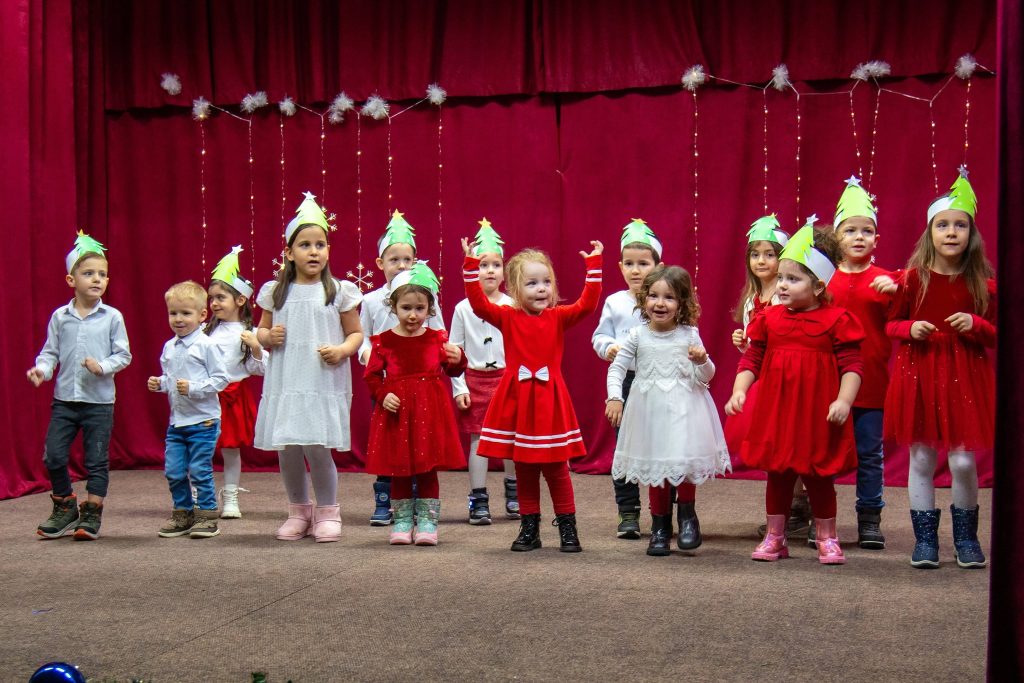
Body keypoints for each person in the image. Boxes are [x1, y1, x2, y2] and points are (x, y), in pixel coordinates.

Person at [726, 218, 864, 565]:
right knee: (778, 475)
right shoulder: (769, 319)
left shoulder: (837, 320)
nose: (782, 285)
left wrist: (844, 400)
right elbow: (752, 359)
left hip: (816, 414)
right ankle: (775, 536)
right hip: (778, 412)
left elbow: (852, 367)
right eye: (781, 278)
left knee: (819, 476)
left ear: (818, 286)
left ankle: (827, 536)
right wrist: (739, 391)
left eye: (793, 279)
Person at [879, 168, 995, 569]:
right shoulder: (912, 280)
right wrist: (910, 328)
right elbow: (891, 324)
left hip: (966, 375)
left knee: (962, 461)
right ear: (930, 233)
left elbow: (998, 333)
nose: (951, 232)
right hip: (920, 373)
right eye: (942, 225)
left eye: (960, 225)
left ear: (971, 233)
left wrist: (976, 324)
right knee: (922, 459)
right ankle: (925, 540)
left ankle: (966, 538)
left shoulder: (983, 283)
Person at [461, 235, 603, 552]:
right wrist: (470, 266)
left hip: (550, 402)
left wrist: (593, 267)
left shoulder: (558, 316)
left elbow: (587, 305)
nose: (541, 289)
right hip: (518, 402)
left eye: (546, 282)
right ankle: (529, 528)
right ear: (513, 290)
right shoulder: (506, 316)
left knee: (556, 469)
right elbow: (478, 304)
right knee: (524, 468)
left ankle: (568, 527)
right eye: (532, 283)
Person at [254, 192, 364, 542]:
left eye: (320, 244)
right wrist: (267, 336)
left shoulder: (339, 291)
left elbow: (356, 333)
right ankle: (298, 511)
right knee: (288, 449)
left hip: (320, 381)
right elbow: (260, 331)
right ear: (289, 253)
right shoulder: (276, 292)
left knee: (317, 447)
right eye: (305, 245)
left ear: (328, 250)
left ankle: (328, 511)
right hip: (287, 381)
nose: (314, 251)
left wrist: (342, 350)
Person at [605, 266, 730, 556]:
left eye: (669, 297)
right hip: (650, 413)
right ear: (643, 299)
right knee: (656, 468)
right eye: (653, 296)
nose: (660, 303)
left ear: (682, 303)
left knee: (682, 463)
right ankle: (660, 526)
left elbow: (706, 376)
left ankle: (687, 518)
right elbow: (617, 368)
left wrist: (702, 360)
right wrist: (614, 398)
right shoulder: (637, 335)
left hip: (685, 410)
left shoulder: (689, 335)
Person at [28, 232, 132, 540]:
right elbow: (50, 353)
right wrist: (42, 370)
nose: (97, 279)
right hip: (65, 401)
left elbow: (123, 355)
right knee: (53, 456)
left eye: (102, 274)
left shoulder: (112, 317)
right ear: (71, 280)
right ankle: (64, 506)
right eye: (88, 274)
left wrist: (102, 366)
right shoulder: (60, 317)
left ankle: (91, 513)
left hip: (99, 402)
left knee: (96, 460)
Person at [364, 262, 467, 545]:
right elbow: (371, 376)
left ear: (430, 309)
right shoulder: (384, 341)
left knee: (427, 468)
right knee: (399, 467)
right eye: (406, 308)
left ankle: (427, 523)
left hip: (429, 413)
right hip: (398, 414)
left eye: (420, 308)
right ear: (394, 307)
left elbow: (453, 369)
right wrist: (383, 394)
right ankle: (401, 522)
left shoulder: (437, 339)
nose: (413, 315)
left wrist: (460, 359)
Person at [724, 216, 812, 539]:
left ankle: (804, 502)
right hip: (763, 381)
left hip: (788, 378)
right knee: (776, 449)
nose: (761, 261)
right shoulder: (751, 299)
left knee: (794, 444)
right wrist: (743, 343)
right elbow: (756, 349)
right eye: (755, 254)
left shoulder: (786, 294)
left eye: (770, 254)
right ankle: (791, 506)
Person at [357, 210, 445, 525]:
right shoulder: (371, 301)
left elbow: (439, 336)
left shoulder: (425, 297)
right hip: (387, 385)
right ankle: (385, 500)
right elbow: (362, 336)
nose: (401, 265)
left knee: (420, 444)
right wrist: (368, 354)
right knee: (390, 445)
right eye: (394, 259)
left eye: (408, 259)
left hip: (420, 388)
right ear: (380, 263)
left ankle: (421, 504)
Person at [827, 177, 893, 549]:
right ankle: (822, 519)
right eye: (850, 230)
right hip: (828, 382)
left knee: (870, 454)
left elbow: (900, 321)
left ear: (876, 239)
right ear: (836, 237)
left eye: (866, 231)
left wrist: (899, 292)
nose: (858, 237)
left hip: (871, 382)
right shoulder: (824, 280)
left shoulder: (886, 281)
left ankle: (869, 518)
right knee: (824, 451)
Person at [592, 219, 663, 539]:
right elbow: (599, 336)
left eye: (644, 264)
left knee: (662, 446)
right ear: (620, 267)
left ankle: (663, 511)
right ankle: (628, 512)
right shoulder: (615, 302)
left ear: (658, 266)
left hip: (660, 382)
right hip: (626, 381)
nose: (636, 271)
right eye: (630, 264)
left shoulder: (664, 299)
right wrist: (608, 347)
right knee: (625, 447)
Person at [148, 281, 230, 539]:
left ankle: (207, 516)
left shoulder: (206, 345)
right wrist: (161, 383)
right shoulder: (169, 347)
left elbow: (221, 379)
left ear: (202, 315)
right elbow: (171, 379)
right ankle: (183, 513)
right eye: (173, 313)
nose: (178, 319)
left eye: (185, 313)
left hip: (203, 421)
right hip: (177, 422)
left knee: (199, 470)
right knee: (173, 471)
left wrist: (194, 388)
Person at [449, 219, 518, 524]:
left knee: (511, 439)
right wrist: (460, 388)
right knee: (478, 440)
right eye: (482, 265)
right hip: (475, 380)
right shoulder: (463, 308)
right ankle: (478, 499)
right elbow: (454, 353)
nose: (489, 271)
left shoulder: (513, 305)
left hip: (506, 379)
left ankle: (514, 493)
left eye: (495, 265)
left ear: (504, 270)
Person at [205, 246, 265, 518]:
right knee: (200, 448)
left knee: (230, 450)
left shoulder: (248, 333)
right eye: (211, 298)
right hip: (206, 397)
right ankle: (199, 496)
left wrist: (255, 347)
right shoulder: (204, 332)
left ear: (240, 300)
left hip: (232, 398)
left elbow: (259, 368)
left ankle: (231, 498)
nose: (214, 303)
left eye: (221, 297)